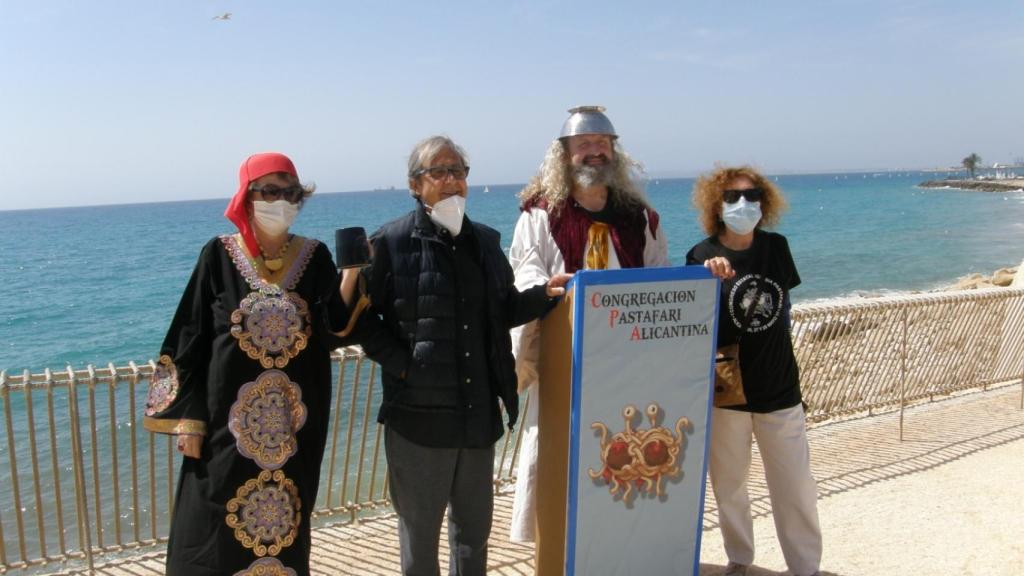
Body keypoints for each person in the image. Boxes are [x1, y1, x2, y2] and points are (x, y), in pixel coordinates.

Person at [340, 135, 571, 576]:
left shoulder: (485, 241)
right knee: (420, 538)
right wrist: (407, 365)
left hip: (477, 416)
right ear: (415, 185)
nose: (451, 181)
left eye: (459, 172)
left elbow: (502, 309)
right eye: (439, 172)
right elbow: (359, 321)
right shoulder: (389, 243)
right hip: (418, 421)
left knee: (473, 536)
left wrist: (544, 295)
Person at [507, 106, 734, 542]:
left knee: (626, 457)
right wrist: (553, 287)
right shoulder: (539, 215)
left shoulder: (640, 218)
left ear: (615, 151)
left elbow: (661, 278)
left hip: (630, 365)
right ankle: (560, 552)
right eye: (584, 145)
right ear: (565, 154)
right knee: (563, 460)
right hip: (567, 364)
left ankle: (623, 548)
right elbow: (526, 274)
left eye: (602, 144)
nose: (595, 152)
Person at [143, 152, 355, 576]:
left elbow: (334, 329)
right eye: (270, 190)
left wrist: (352, 274)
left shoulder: (314, 258)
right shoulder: (218, 256)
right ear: (247, 196)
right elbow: (190, 335)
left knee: (284, 527)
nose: (282, 200)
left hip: (292, 430)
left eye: (291, 192)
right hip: (225, 427)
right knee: (211, 525)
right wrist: (189, 421)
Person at [685, 166, 821, 576]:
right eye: (731, 197)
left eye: (751, 195)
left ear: (765, 202)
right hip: (728, 392)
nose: (742, 204)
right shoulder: (700, 254)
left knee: (795, 485)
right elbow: (694, 319)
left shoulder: (776, 248)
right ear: (715, 204)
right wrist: (706, 275)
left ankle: (805, 567)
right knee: (729, 486)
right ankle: (740, 559)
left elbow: (785, 309)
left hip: (780, 387)